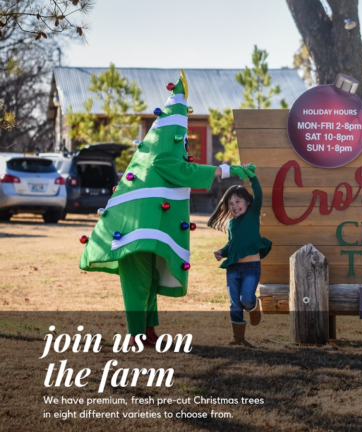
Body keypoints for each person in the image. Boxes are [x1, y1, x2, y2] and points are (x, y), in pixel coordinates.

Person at [79, 71, 254, 347]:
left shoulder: (164, 155)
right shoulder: (161, 157)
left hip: (149, 231)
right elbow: (185, 171)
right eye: (182, 139)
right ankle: (137, 334)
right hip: (134, 232)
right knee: (138, 283)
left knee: (149, 280)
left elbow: (184, 169)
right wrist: (227, 169)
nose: (184, 145)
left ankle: (148, 330)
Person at [208, 163, 272, 347]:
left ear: (248, 202)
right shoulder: (231, 224)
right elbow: (232, 244)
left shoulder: (253, 214)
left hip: (251, 268)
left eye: (238, 202)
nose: (234, 206)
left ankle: (254, 306)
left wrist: (252, 177)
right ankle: (239, 339)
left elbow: (259, 193)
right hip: (233, 268)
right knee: (235, 304)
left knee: (246, 300)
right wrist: (223, 251)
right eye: (230, 204)